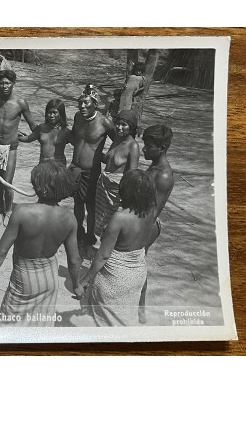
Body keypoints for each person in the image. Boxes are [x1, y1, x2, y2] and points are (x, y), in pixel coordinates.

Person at [0, 161, 82, 327]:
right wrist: (76, 285)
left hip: (23, 279)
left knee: (10, 323)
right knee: (40, 325)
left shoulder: (22, 212)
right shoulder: (69, 218)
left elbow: (1, 251)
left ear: (40, 186)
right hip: (49, 279)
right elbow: (74, 260)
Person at [74, 169, 156, 327]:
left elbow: (103, 256)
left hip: (114, 278)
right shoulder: (150, 212)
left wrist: (84, 280)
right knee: (124, 320)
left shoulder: (120, 218)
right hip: (138, 274)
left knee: (105, 323)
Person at [68, 84, 115, 259]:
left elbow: (119, 144)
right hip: (75, 169)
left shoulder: (105, 123)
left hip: (91, 172)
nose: (82, 106)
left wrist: (102, 157)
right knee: (77, 204)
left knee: (91, 208)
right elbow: (75, 137)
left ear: (95, 104)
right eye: (80, 102)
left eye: (86, 103)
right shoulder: (77, 117)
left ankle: (89, 241)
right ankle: (78, 236)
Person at [0, 69, 37, 226]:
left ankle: (8, 212)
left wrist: (31, 138)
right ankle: (0, 211)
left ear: (13, 83)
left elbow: (33, 125)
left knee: (7, 182)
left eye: (7, 83)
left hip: (11, 147)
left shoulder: (20, 103)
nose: (4, 86)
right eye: (1, 83)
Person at [138, 124, 175, 323]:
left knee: (138, 262)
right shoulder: (153, 166)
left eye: (148, 146)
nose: (143, 149)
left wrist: (132, 230)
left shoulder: (164, 175)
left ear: (161, 148)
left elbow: (153, 212)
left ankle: (141, 308)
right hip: (140, 219)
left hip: (147, 225)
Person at [94, 109, 140, 237]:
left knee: (111, 225)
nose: (119, 128)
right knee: (100, 221)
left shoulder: (133, 146)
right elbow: (109, 161)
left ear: (131, 128)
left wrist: (126, 198)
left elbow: (132, 175)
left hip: (116, 192)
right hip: (103, 187)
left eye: (124, 125)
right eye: (118, 124)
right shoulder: (117, 140)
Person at [18, 98, 71, 165]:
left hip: (59, 166)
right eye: (49, 112)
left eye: (55, 113)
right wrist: (14, 135)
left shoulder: (65, 132)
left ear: (61, 114)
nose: (52, 115)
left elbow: (77, 143)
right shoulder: (41, 128)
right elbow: (28, 139)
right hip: (43, 165)